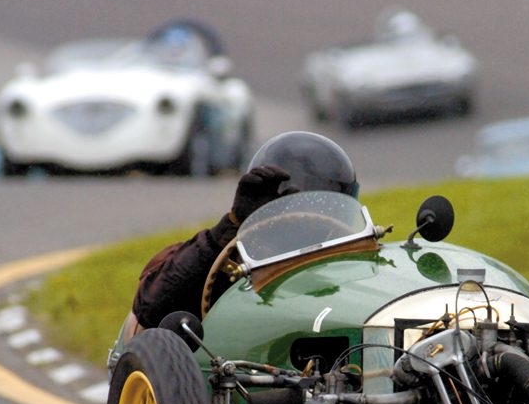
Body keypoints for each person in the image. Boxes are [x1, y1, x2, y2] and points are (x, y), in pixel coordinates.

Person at [130, 131, 359, 330]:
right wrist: (229, 227)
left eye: (324, 206)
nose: (313, 216)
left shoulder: (354, 265)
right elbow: (150, 308)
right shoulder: (231, 260)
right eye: (299, 202)